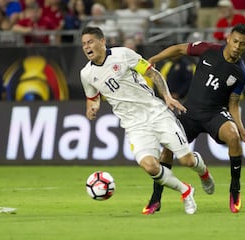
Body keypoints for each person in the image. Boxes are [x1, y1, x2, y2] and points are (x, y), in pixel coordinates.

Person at [80, 26, 215, 214]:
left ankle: (203, 172)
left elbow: (153, 73)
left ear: (102, 41)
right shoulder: (86, 74)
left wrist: (167, 97)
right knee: (150, 166)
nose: (87, 47)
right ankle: (185, 191)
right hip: (133, 125)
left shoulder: (123, 54)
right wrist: (92, 109)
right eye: (84, 44)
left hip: (156, 113)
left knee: (187, 161)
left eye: (90, 42)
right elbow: (92, 98)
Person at [142, 23, 245, 215]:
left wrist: (241, 128)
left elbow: (233, 103)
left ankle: (235, 191)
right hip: (190, 113)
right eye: (236, 41)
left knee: (233, 137)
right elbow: (180, 48)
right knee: (167, 150)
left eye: (243, 44)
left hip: (214, 114)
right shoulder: (209, 49)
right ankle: (156, 199)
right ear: (228, 38)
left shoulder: (241, 73)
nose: (237, 46)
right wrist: (154, 59)